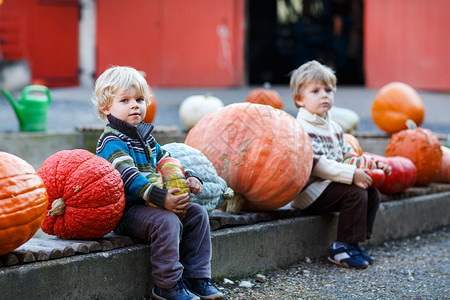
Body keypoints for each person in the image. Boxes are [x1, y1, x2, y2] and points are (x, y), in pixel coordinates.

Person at [93, 66, 224, 300]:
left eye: (139, 99)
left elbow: (166, 159)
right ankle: (167, 285)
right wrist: (161, 198)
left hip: (152, 204)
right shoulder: (111, 140)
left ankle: (197, 277)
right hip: (128, 211)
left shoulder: (145, 136)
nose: (135, 105)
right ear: (106, 107)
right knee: (167, 220)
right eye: (125, 100)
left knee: (197, 214)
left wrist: (189, 176)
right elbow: (128, 176)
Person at [289, 60, 391, 269]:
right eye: (315, 91)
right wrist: (352, 174)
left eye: (328, 90)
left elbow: (348, 154)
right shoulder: (301, 128)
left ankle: (353, 243)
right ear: (300, 99)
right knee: (355, 193)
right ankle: (340, 248)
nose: (324, 95)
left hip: (329, 187)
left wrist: (373, 164)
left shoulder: (333, 127)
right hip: (309, 192)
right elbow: (317, 165)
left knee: (372, 192)